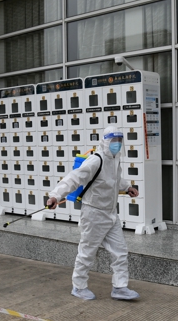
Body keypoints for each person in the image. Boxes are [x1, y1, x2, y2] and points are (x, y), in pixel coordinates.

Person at [46, 126, 140, 301]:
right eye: (114, 140)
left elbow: (115, 180)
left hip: (111, 213)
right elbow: (74, 178)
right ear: (105, 141)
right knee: (87, 252)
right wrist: (55, 196)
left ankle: (120, 287)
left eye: (119, 140)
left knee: (120, 252)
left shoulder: (115, 159)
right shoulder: (96, 160)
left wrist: (127, 187)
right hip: (94, 213)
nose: (117, 144)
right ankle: (79, 286)